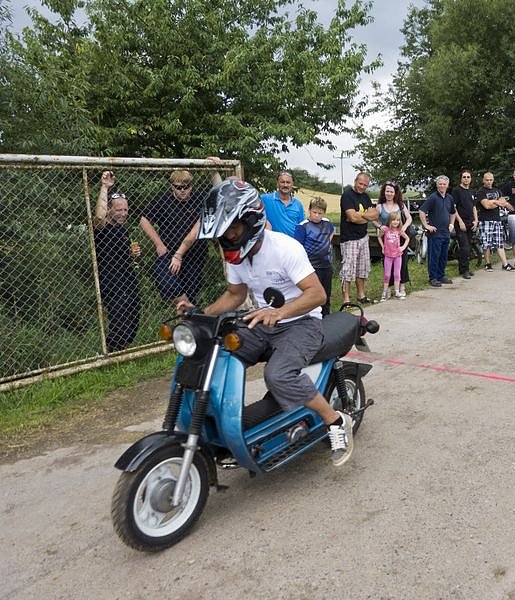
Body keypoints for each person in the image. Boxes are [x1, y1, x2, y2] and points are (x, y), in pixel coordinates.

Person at [179, 179, 355, 467]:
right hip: (263, 322)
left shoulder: (285, 248)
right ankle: (226, 421)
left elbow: (317, 294)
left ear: (251, 222)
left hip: (302, 323)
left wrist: (280, 312)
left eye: (232, 228)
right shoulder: (237, 256)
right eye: (222, 233)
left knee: (278, 375)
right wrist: (201, 313)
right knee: (218, 350)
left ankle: (335, 421)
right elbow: (235, 295)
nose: (227, 237)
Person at [140, 169, 210, 305]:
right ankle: (189, 311)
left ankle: (186, 321)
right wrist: (159, 244)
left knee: (191, 293)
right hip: (169, 252)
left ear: (191, 186)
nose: (183, 190)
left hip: (194, 255)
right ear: (172, 186)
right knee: (167, 284)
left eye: (186, 187)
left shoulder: (200, 199)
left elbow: (219, 199)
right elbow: (144, 220)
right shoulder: (163, 201)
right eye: (178, 187)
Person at [93, 170, 142, 352]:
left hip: (127, 277)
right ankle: (112, 352)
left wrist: (132, 253)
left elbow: (123, 253)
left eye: (125, 210)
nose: (123, 213)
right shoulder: (102, 227)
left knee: (134, 315)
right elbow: (98, 216)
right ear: (110, 210)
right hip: (110, 280)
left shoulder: (123, 230)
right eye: (118, 210)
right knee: (120, 318)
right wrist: (105, 187)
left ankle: (121, 351)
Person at [339, 172, 379, 304]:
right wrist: (366, 217)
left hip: (363, 236)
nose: (362, 187)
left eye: (365, 185)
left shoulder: (366, 197)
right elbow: (352, 217)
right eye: (360, 183)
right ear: (355, 181)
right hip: (349, 238)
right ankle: (346, 299)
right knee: (348, 269)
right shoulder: (347, 195)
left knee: (362, 268)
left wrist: (361, 217)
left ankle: (361, 295)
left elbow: (375, 214)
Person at [294, 197, 335, 315]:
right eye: (314, 212)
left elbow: (332, 231)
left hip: (326, 265)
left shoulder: (327, 223)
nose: (316, 215)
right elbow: (297, 246)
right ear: (309, 211)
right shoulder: (303, 226)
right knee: (313, 295)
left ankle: (326, 316)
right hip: (311, 267)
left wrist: (327, 244)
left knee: (326, 294)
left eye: (320, 213)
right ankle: (312, 317)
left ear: (324, 213)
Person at [376, 181, 413, 297]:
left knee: (402, 263)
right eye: (387, 191)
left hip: (399, 239)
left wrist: (404, 228)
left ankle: (402, 285)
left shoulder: (400, 205)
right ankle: (390, 287)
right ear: (384, 192)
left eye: (392, 191)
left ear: (395, 193)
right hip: (387, 239)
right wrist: (380, 226)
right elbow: (372, 219)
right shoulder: (379, 207)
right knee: (387, 264)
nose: (389, 193)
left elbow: (409, 218)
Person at [418, 175, 456, 287]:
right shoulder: (433, 197)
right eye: (440, 184)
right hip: (435, 234)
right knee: (434, 256)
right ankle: (433, 278)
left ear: (447, 185)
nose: (442, 186)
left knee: (444, 256)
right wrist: (426, 226)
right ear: (437, 185)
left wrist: (452, 224)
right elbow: (421, 211)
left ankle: (441, 275)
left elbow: (453, 212)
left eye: (444, 184)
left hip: (446, 232)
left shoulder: (450, 198)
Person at [476, 172, 515, 272]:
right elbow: (486, 206)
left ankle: (505, 264)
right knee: (486, 244)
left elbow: (502, 202)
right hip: (485, 220)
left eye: (490, 180)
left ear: (493, 180)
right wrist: (498, 203)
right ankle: (488, 264)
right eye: (487, 180)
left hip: (497, 220)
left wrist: (494, 202)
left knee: (499, 243)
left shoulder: (498, 191)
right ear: (483, 180)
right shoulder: (481, 192)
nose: (489, 182)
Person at [451, 170, 478, 279]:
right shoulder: (456, 191)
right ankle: (464, 270)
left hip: (471, 222)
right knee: (464, 247)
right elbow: (454, 207)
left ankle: (465, 268)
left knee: (469, 246)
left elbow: (474, 207)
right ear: (461, 178)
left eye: (468, 177)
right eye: (464, 177)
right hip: (460, 223)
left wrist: (476, 220)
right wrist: (460, 221)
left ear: (471, 179)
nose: (466, 179)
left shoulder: (472, 191)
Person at [377, 212, 409, 301]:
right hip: (388, 256)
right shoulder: (386, 230)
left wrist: (403, 247)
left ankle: (397, 291)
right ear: (390, 221)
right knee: (387, 274)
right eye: (394, 220)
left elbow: (407, 238)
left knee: (397, 274)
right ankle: (384, 292)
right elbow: (379, 237)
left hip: (398, 256)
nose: (396, 222)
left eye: (398, 220)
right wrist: (383, 247)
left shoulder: (399, 231)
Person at [261, 171, 304, 235]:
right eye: (282, 182)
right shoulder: (265, 199)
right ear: (277, 184)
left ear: (292, 184)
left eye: (288, 182)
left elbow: (302, 227)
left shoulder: (298, 205)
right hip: (272, 242)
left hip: (292, 243)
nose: (285, 185)